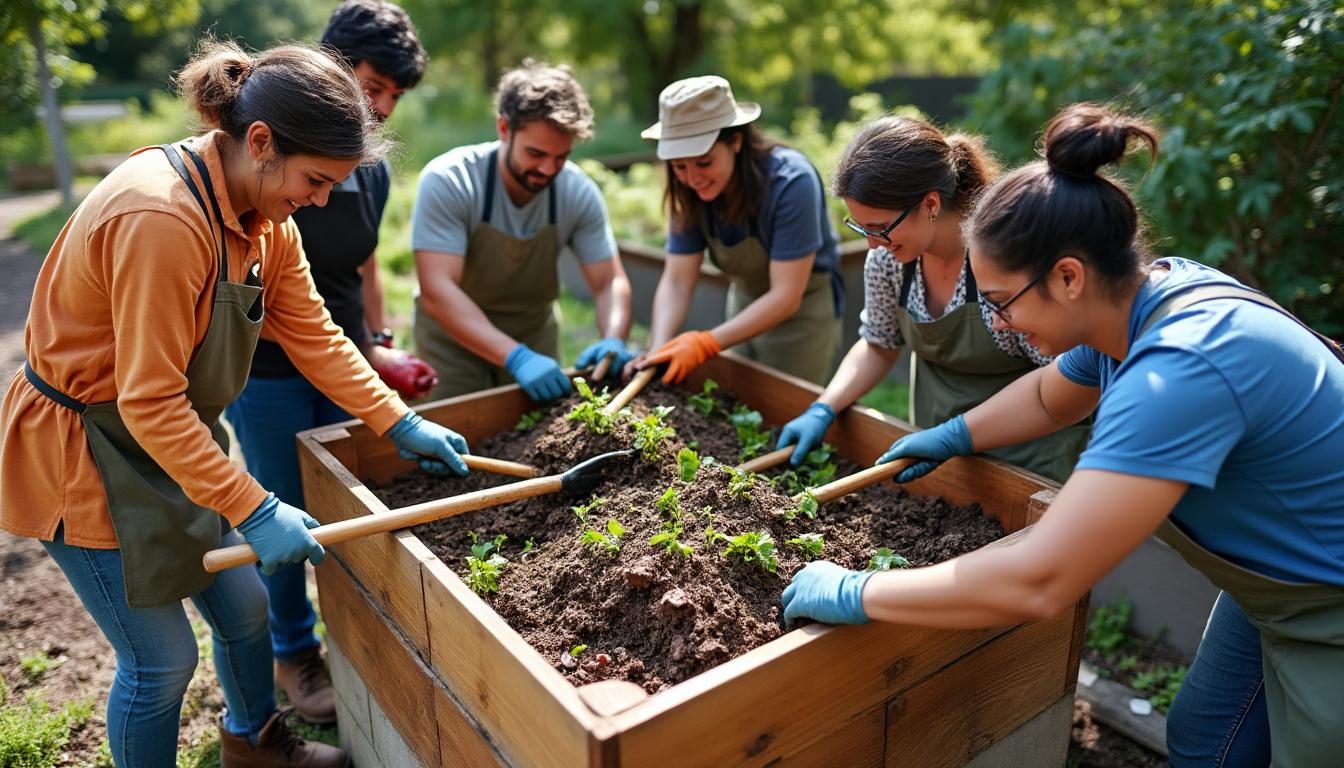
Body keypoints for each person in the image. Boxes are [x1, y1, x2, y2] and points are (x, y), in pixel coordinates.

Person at [780, 103, 1344, 767]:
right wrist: (954, 434)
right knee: (1207, 741)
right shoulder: (1145, 303)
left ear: (1068, 277)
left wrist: (857, 591)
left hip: (1327, 604)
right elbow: (1051, 396)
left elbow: (1042, 578)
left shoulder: (1178, 375)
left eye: (1002, 302)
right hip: (1274, 588)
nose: (1001, 323)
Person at [0, 41, 472, 767]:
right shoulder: (160, 219)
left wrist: (397, 420)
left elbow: (315, 334)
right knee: (159, 664)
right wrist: (254, 506)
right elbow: (151, 402)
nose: (319, 200)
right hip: (86, 450)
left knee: (248, 611)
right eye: (315, 180)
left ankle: (255, 744)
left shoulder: (267, 223)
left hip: (168, 438)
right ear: (261, 142)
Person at [222, 0, 428, 726]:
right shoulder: (264, 164)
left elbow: (359, 268)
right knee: (277, 509)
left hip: (336, 357)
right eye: (370, 86)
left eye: (392, 98)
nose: (378, 108)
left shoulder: (363, 171)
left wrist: (377, 343)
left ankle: (358, 634)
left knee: (350, 510)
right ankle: (294, 650)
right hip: (268, 371)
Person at [775, 115, 1086, 481]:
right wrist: (825, 407)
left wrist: (957, 434)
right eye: (861, 227)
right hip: (935, 454)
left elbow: (1063, 374)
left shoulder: (1002, 261)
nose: (871, 243)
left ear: (930, 204)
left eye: (879, 228)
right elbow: (878, 343)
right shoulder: (888, 262)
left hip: (1031, 460)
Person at [411, 60, 632, 402]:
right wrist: (516, 357)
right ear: (503, 128)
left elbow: (609, 281)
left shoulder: (577, 191)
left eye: (561, 158)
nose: (548, 169)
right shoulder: (451, 180)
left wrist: (614, 339)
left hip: (534, 336)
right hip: (452, 342)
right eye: (536, 153)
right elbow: (438, 289)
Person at [632, 75, 844, 386]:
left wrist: (706, 343)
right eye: (679, 167)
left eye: (703, 163)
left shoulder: (790, 182)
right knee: (737, 402)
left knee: (784, 411)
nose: (692, 178)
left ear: (735, 141)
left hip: (802, 315)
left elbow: (786, 295)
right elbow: (677, 280)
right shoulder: (688, 193)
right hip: (744, 302)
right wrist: (658, 347)